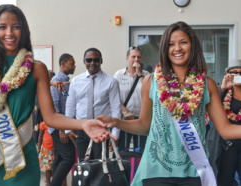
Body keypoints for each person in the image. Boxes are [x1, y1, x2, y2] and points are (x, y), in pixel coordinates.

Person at [0, 5, 110, 186]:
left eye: (16, 26)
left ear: (24, 30)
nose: (9, 33)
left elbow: (51, 117)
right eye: (2, 27)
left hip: (22, 158)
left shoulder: (36, 69)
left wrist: (83, 124)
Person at [97, 21, 241, 186]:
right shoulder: (151, 82)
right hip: (156, 170)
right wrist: (116, 122)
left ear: (193, 46)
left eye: (183, 42)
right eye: (171, 44)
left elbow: (226, 129)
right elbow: (144, 125)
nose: (177, 48)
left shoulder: (207, 84)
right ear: (165, 49)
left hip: (194, 171)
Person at [65, 47, 121, 161]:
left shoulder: (111, 81)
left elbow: (116, 109)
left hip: (101, 130)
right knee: (84, 166)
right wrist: (68, 129)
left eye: (96, 60)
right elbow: (70, 106)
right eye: (89, 60)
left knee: (101, 167)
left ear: (101, 61)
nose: (92, 63)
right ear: (84, 61)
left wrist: (115, 134)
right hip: (81, 130)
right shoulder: (76, 81)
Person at [114, 46, 149, 155]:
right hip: (125, 119)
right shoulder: (118, 75)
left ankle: (138, 171)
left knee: (140, 151)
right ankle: (123, 171)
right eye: (133, 56)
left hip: (141, 119)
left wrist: (139, 74)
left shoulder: (146, 75)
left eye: (138, 57)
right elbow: (114, 97)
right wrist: (125, 111)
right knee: (122, 151)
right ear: (127, 58)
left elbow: (149, 91)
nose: (136, 59)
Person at [48, 53, 76, 186]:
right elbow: (55, 108)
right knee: (69, 158)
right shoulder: (56, 81)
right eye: (72, 63)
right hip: (59, 128)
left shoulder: (67, 81)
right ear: (63, 64)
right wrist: (62, 130)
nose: (74, 66)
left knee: (59, 159)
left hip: (63, 126)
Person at [216, 59, 241, 185]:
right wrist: (222, 88)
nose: (237, 76)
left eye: (240, 73)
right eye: (233, 72)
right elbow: (211, 110)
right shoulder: (223, 94)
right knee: (224, 181)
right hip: (227, 146)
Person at [37, 121, 54, 186]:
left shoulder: (55, 123)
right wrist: (38, 148)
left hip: (55, 148)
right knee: (48, 167)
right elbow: (40, 136)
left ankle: (50, 180)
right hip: (47, 148)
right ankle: (48, 182)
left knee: (53, 166)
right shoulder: (43, 124)